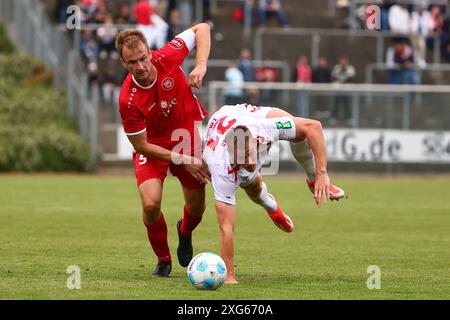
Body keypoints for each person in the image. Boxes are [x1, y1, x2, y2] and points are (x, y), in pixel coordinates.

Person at [203, 104, 346, 284]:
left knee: (298, 130)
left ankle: (313, 179)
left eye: (249, 154)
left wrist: (321, 173)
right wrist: (229, 276)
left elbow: (314, 127)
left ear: (256, 142)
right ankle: (271, 206)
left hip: (239, 114)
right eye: (241, 159)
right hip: (219, 134)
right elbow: (226, 228)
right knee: (252, 184)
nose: (248, 162)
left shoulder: (263, 128)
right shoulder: (221, 168)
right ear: (232, 154)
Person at [115, 23, 212, 277]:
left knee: (197, 209)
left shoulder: (167, 55)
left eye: (144, 58)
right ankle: (163, 259)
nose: (141, 66)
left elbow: (202, 28)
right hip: (153, 146)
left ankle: (185, 231)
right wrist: (182, 159)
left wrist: (201, 64)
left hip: (185, 137)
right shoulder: (128, 98)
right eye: (133, 62)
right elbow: (140, 145)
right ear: (123, 63)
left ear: (150, 51)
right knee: (150, 204)